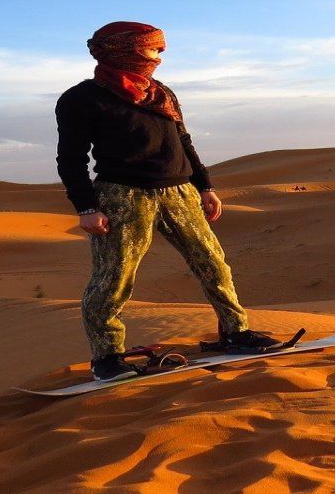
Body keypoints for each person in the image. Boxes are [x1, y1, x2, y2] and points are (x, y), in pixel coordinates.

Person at [55, 21, 279, 382]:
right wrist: (86, 207)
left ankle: (236, 333)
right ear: (123, 50)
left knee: (213, 264)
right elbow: (71, 159)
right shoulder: (81, 99)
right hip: (122, 195)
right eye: (154, 48)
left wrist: (205, 186)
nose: (161, 54)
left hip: (180, 193)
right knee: (113, 279)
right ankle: (107, 358)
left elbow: (184, 142)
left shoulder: (162, 93)